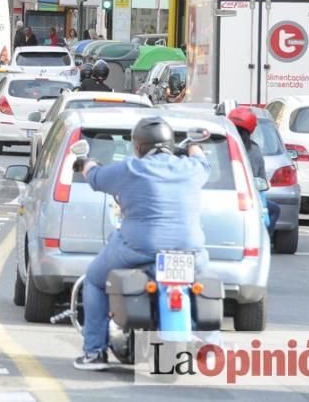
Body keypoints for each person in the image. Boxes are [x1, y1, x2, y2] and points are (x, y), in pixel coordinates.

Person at [73, 116, 211, 370]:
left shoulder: (130, 168)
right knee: (201, 284)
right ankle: (211, 344)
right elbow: (202, 159)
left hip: (139, 248)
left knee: (94, 279)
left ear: (138, 147)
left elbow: (94, 177)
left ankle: (94, 352)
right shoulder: (192, 168)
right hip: (190, 250)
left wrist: (86, 163)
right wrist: (191, 145)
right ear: (170, 143)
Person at [228, 107, 280, 240]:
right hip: (246, 199)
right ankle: (263, 240)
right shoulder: (253, 150)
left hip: (222, 194)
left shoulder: (221, 143)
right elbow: (260, 180)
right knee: (274, 210)